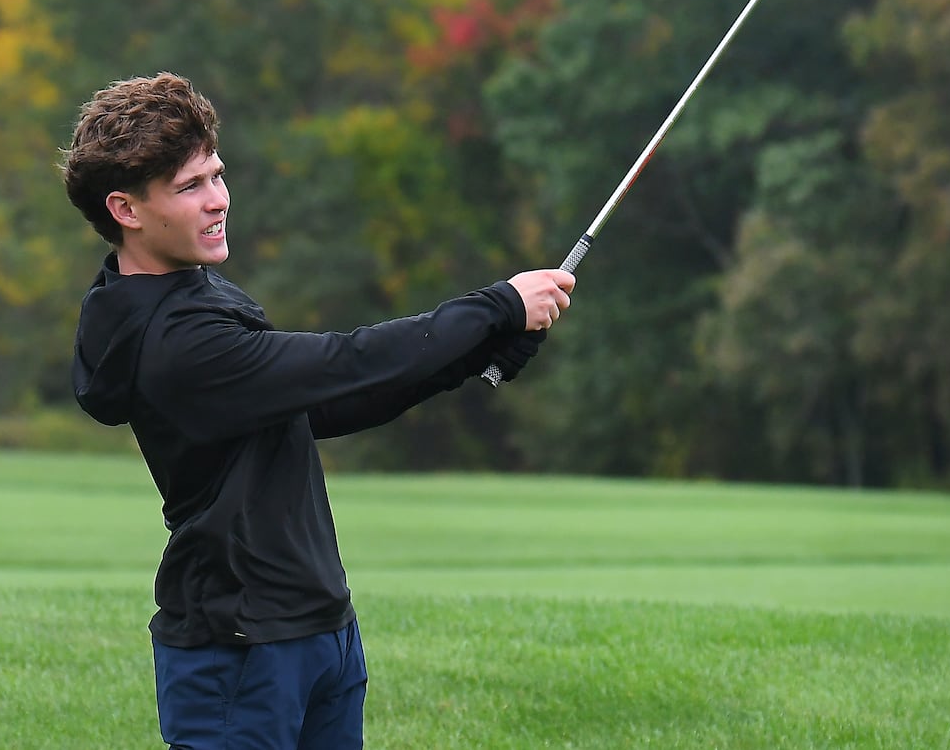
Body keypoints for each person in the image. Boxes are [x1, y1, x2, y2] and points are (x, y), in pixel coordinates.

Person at [61, 72, 573, 750]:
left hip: (317, 627)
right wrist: (495, 306)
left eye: (217, 175)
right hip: (238, 650)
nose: (219, 199)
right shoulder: (177, 343)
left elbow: (321, 404)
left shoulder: (200, 294)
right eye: (191, 187)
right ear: (125, 209)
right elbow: (345, 362)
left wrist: (469, 356)